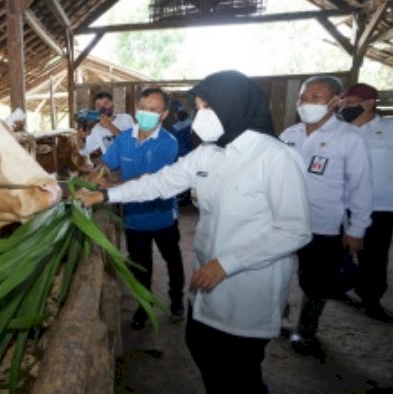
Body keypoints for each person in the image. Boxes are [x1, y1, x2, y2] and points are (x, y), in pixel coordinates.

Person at [79, 70, 311, 393]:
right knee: (201, 347)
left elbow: (295, 230)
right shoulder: (209, 152)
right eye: (199, 108)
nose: (199, 116)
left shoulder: (276, 158)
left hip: (248, 284)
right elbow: (160, 182)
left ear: (232, 106)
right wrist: (106, 195)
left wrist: (227, 263)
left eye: (206, 108)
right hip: (207, 278)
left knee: (240, 371)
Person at [280, 76, 373, 357]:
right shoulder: (289, 135)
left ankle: (305, 331)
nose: (307, 103)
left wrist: (357, 229)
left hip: (323, 228)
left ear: (335, 102)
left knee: (315, 282)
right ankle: (274, 318)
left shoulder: (349, 137)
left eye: (316, 97)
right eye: (303, 97)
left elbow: (361, 187)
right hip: (284, 222)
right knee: (279, 272)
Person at [102, 87, 185, 327]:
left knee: (172, 259)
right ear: (136, 109)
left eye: (154, 110)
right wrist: (98, 172)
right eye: (143, 108)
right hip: (134, 219)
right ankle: (144, 305)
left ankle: (176, 300)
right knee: (141, 265)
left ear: (164, 114)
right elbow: (107, 165)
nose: (147, 113)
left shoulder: (168, 143)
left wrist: (112, 185)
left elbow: (151, 181)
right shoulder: (124, 138)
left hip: (162, 217)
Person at [336, 83, 393, 323]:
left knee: (374, 256)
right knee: (338, 252)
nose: (346, 108)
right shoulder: (338, 130)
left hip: (379, 206)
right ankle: (337, 289)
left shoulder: (389, 128)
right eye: (344, 103)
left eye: (352, 103)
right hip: (341, 204)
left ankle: (371, 299)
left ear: (370, 103)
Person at [78, 91, 134, 157]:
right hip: (112, 165)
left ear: (112, 105)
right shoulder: (97, 129)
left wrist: (109, 125)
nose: (102, 108)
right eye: (98, 106)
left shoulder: (125, 118)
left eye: (106, 104)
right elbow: (84, 150)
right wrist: (81, 139)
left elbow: (130, 142)